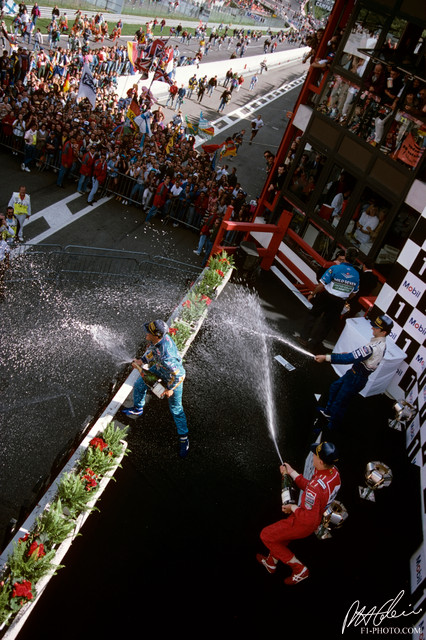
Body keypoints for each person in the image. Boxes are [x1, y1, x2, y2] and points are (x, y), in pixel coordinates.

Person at [257, 442, 341, 585]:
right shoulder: (334, 473)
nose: (313, 455)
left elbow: (307, 516)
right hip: (314, 515)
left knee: (266, 536)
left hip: (304, 522)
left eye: (315, 454)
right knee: (281, 536)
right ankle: (271, 562)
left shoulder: (315, 489)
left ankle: (300, 569)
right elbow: (312, 487)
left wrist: (292, 508)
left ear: (320, 461)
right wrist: (291, 472)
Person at [121, 319, 189, 458]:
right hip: (159, 368)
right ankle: (138, 408)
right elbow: (152, 351)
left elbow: (180, 375)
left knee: (176, 409)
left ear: (157, 335)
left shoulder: (167, 357)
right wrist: (142, 361)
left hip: (171, 377)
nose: (146, 333)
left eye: (149, 332)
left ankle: (184, 438)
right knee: (139, 385)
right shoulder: (159, 340)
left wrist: (170, 389)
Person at [314, 315, 393, 431]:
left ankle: (330, 429)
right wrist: (350, 355)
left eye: (376, 328)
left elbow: (349, 359)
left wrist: (326, 357)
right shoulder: (379, 343)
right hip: (354, 374)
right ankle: (328, 412)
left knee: (340, 403)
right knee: (334, 387)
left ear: (384, 332)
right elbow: (357, 356)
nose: (372, 329)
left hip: (356, 378)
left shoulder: (375, 347)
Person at [298, 247, 360, 351]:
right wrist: (345, 299)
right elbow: (354, 293)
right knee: (327, 324)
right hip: (340, 301)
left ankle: (303, 338)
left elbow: (321, 285)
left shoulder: (335, 268)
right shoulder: (356, 274)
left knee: (313, 315)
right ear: (355, 259)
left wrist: (312, 294)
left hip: (326, 296)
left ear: (346, 255)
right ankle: (313, 344)